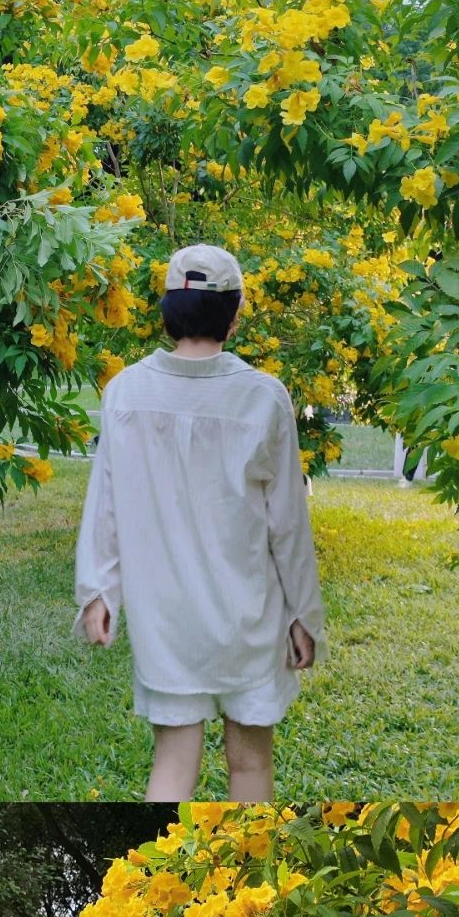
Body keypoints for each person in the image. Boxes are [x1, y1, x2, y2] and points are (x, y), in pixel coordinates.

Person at [73, 242, 325, 802]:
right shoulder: (263, 398)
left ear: (168, 310)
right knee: (252, 769)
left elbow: (105, 504)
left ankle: (158, 881)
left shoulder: (125, 394)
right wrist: (303, 613)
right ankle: (249, 882)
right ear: (233, 315)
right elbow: (288, 523)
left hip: (166, 623)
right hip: (249, 617)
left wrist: (99, 592)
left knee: (172, 762)